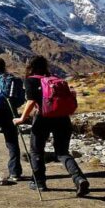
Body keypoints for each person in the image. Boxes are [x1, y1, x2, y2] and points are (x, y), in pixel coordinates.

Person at [13, 56, 89, 196]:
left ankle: (39, 183)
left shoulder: (31, 80)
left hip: (43, 118)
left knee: (36, 151)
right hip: (63, 119)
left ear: (30, 66)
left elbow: (31, 101)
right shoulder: (55, 78)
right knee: (62, 152)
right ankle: (79, 178)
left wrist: (22, 119)